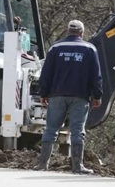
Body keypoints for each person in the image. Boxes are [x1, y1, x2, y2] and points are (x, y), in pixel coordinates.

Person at [35, 19, 103, 174]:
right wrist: (97, 95)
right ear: (82, 32)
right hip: (80, 96)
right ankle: (77, 166)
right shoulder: (89, 49)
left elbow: (46, 74)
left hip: (57, 95)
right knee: (78, 131)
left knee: (51, 129)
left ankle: (42, 164)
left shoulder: (55, 48)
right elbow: (96, 76)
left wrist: (43, 93)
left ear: (67, 31)